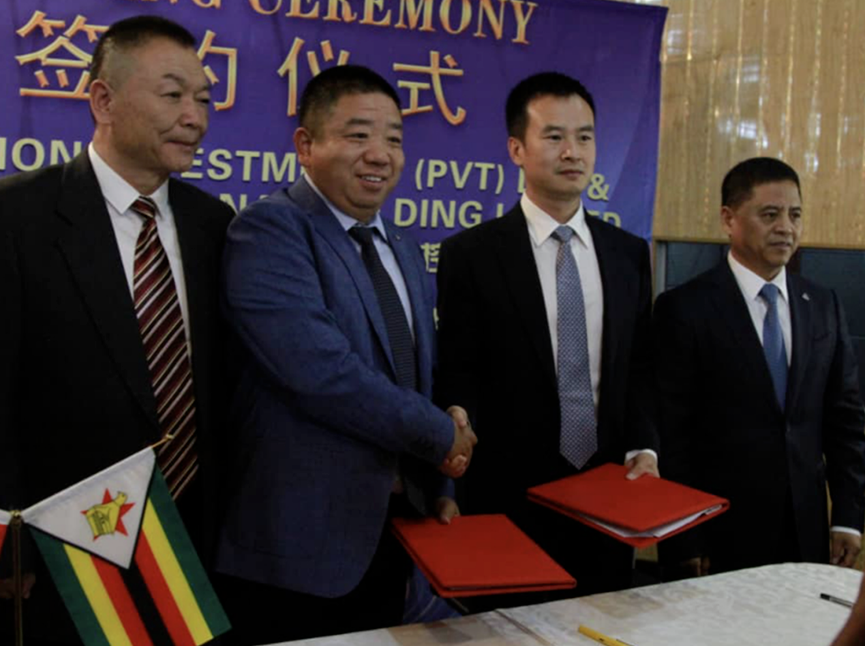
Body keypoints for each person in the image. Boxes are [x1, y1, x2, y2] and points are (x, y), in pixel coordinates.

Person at [214, 65, 477, 644]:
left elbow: (421, 374)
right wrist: (441, 436)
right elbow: (321, 374)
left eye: (394, 139)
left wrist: (441, 483)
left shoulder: (403, 247)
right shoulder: (270, 231)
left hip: (397, 534)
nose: (380, 154)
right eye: (358, 135)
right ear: (306, 145)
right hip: (298, 549)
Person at [0, 15, 234, 643]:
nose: (195, 118)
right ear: (103, 100)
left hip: (195, 541)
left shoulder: (213, 224)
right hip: (64, 545)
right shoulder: (17, 217)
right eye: (173, 95)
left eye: (203, 99)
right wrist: (9, 539)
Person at [435, 71, 658, 602]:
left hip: (608, 495)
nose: (572, 152)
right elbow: (459, 370)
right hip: (507, 497)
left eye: (584, 137)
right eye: (554, 136)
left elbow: (640, 366)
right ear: (517, 148)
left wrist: (645, 446)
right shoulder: (472, 254)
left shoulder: (627, 254)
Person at [654, 157, 865, 577]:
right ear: (728, 219)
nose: (786, 227)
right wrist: (685, 538)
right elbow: (671, 433)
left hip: (806, 532)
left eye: (795, 215)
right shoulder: (685, 308)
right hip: (718, 535)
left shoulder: (822, 304)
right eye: (770, 215)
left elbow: (846, 421)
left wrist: (847, 518)